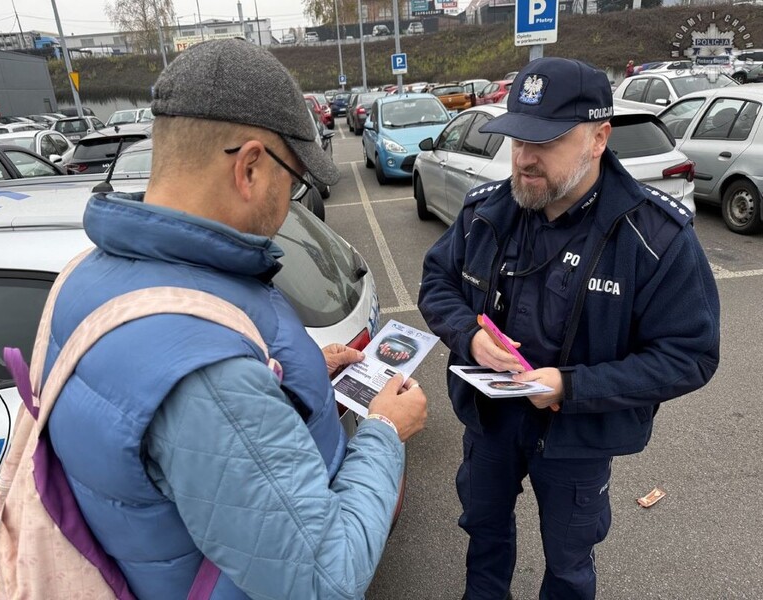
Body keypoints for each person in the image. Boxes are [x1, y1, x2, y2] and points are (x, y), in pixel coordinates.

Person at [39, 40, 427, 599]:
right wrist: (385, 432)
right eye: (292, 181)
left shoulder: (87, 277)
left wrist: (275, 380)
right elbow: (323, 581)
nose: (290, 199)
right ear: (249, 166)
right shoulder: (209, 371)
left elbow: (152, 412)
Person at [418, 57, 719, 600]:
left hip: (579, 436)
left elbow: (691, 355)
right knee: (483, 536)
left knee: (569, 562)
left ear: (598, 138)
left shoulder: (655, 237)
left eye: (546, 142)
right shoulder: (486, 212)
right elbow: (437, 282)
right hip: (491, 422)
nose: (524, 160)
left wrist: (572, 386)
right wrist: (470, 335)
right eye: (516, 140)